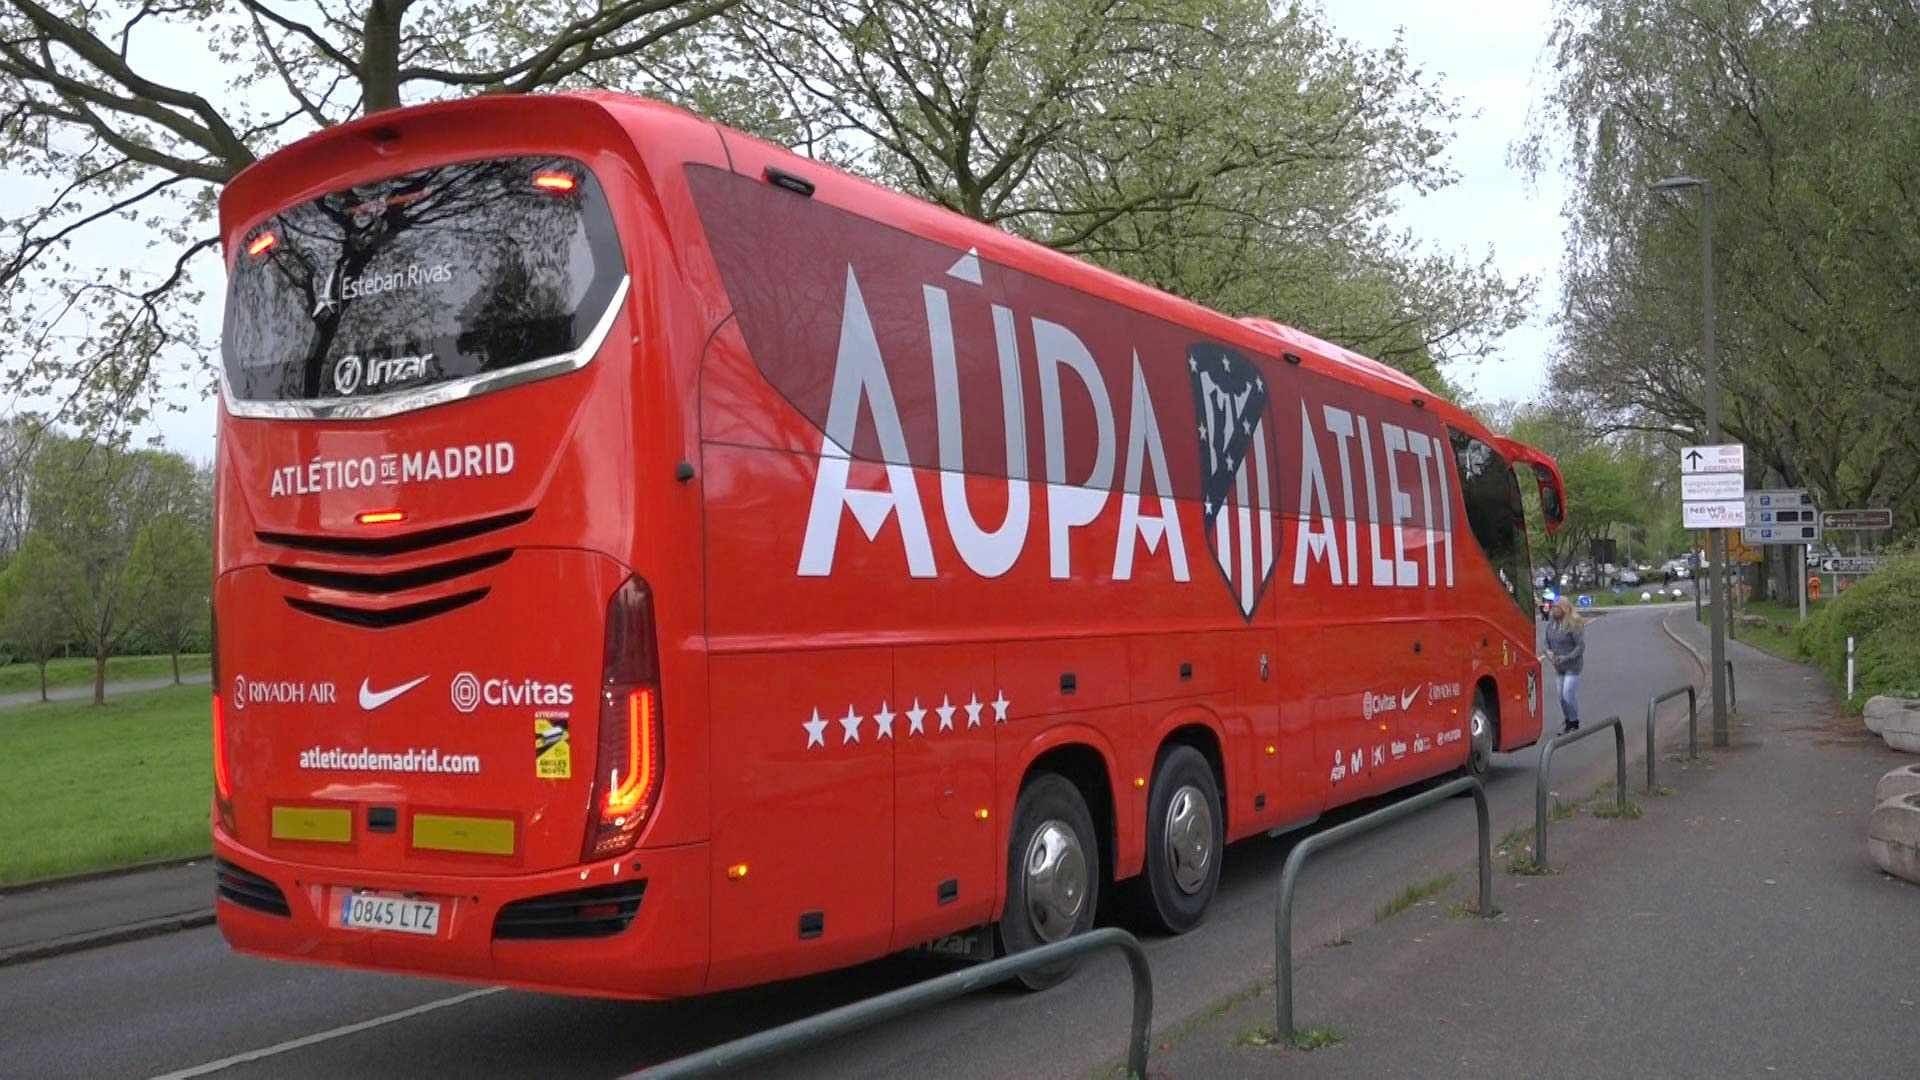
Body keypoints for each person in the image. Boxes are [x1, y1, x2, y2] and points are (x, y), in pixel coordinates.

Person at [1544, 597, 1586, 734]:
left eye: (1556, 607)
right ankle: (1568, 720)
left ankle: (1574, 721)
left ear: (1564, 608)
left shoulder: (1573, 625)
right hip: (1559, 666)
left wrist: (1567, 657)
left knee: (1568, 694)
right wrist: (1549, 654)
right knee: (1561, 696)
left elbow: (1580, 647)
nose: (1553, 610)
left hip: (1572, 666)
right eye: (1553, 607)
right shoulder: (1551, 625)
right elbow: (1546, 643)